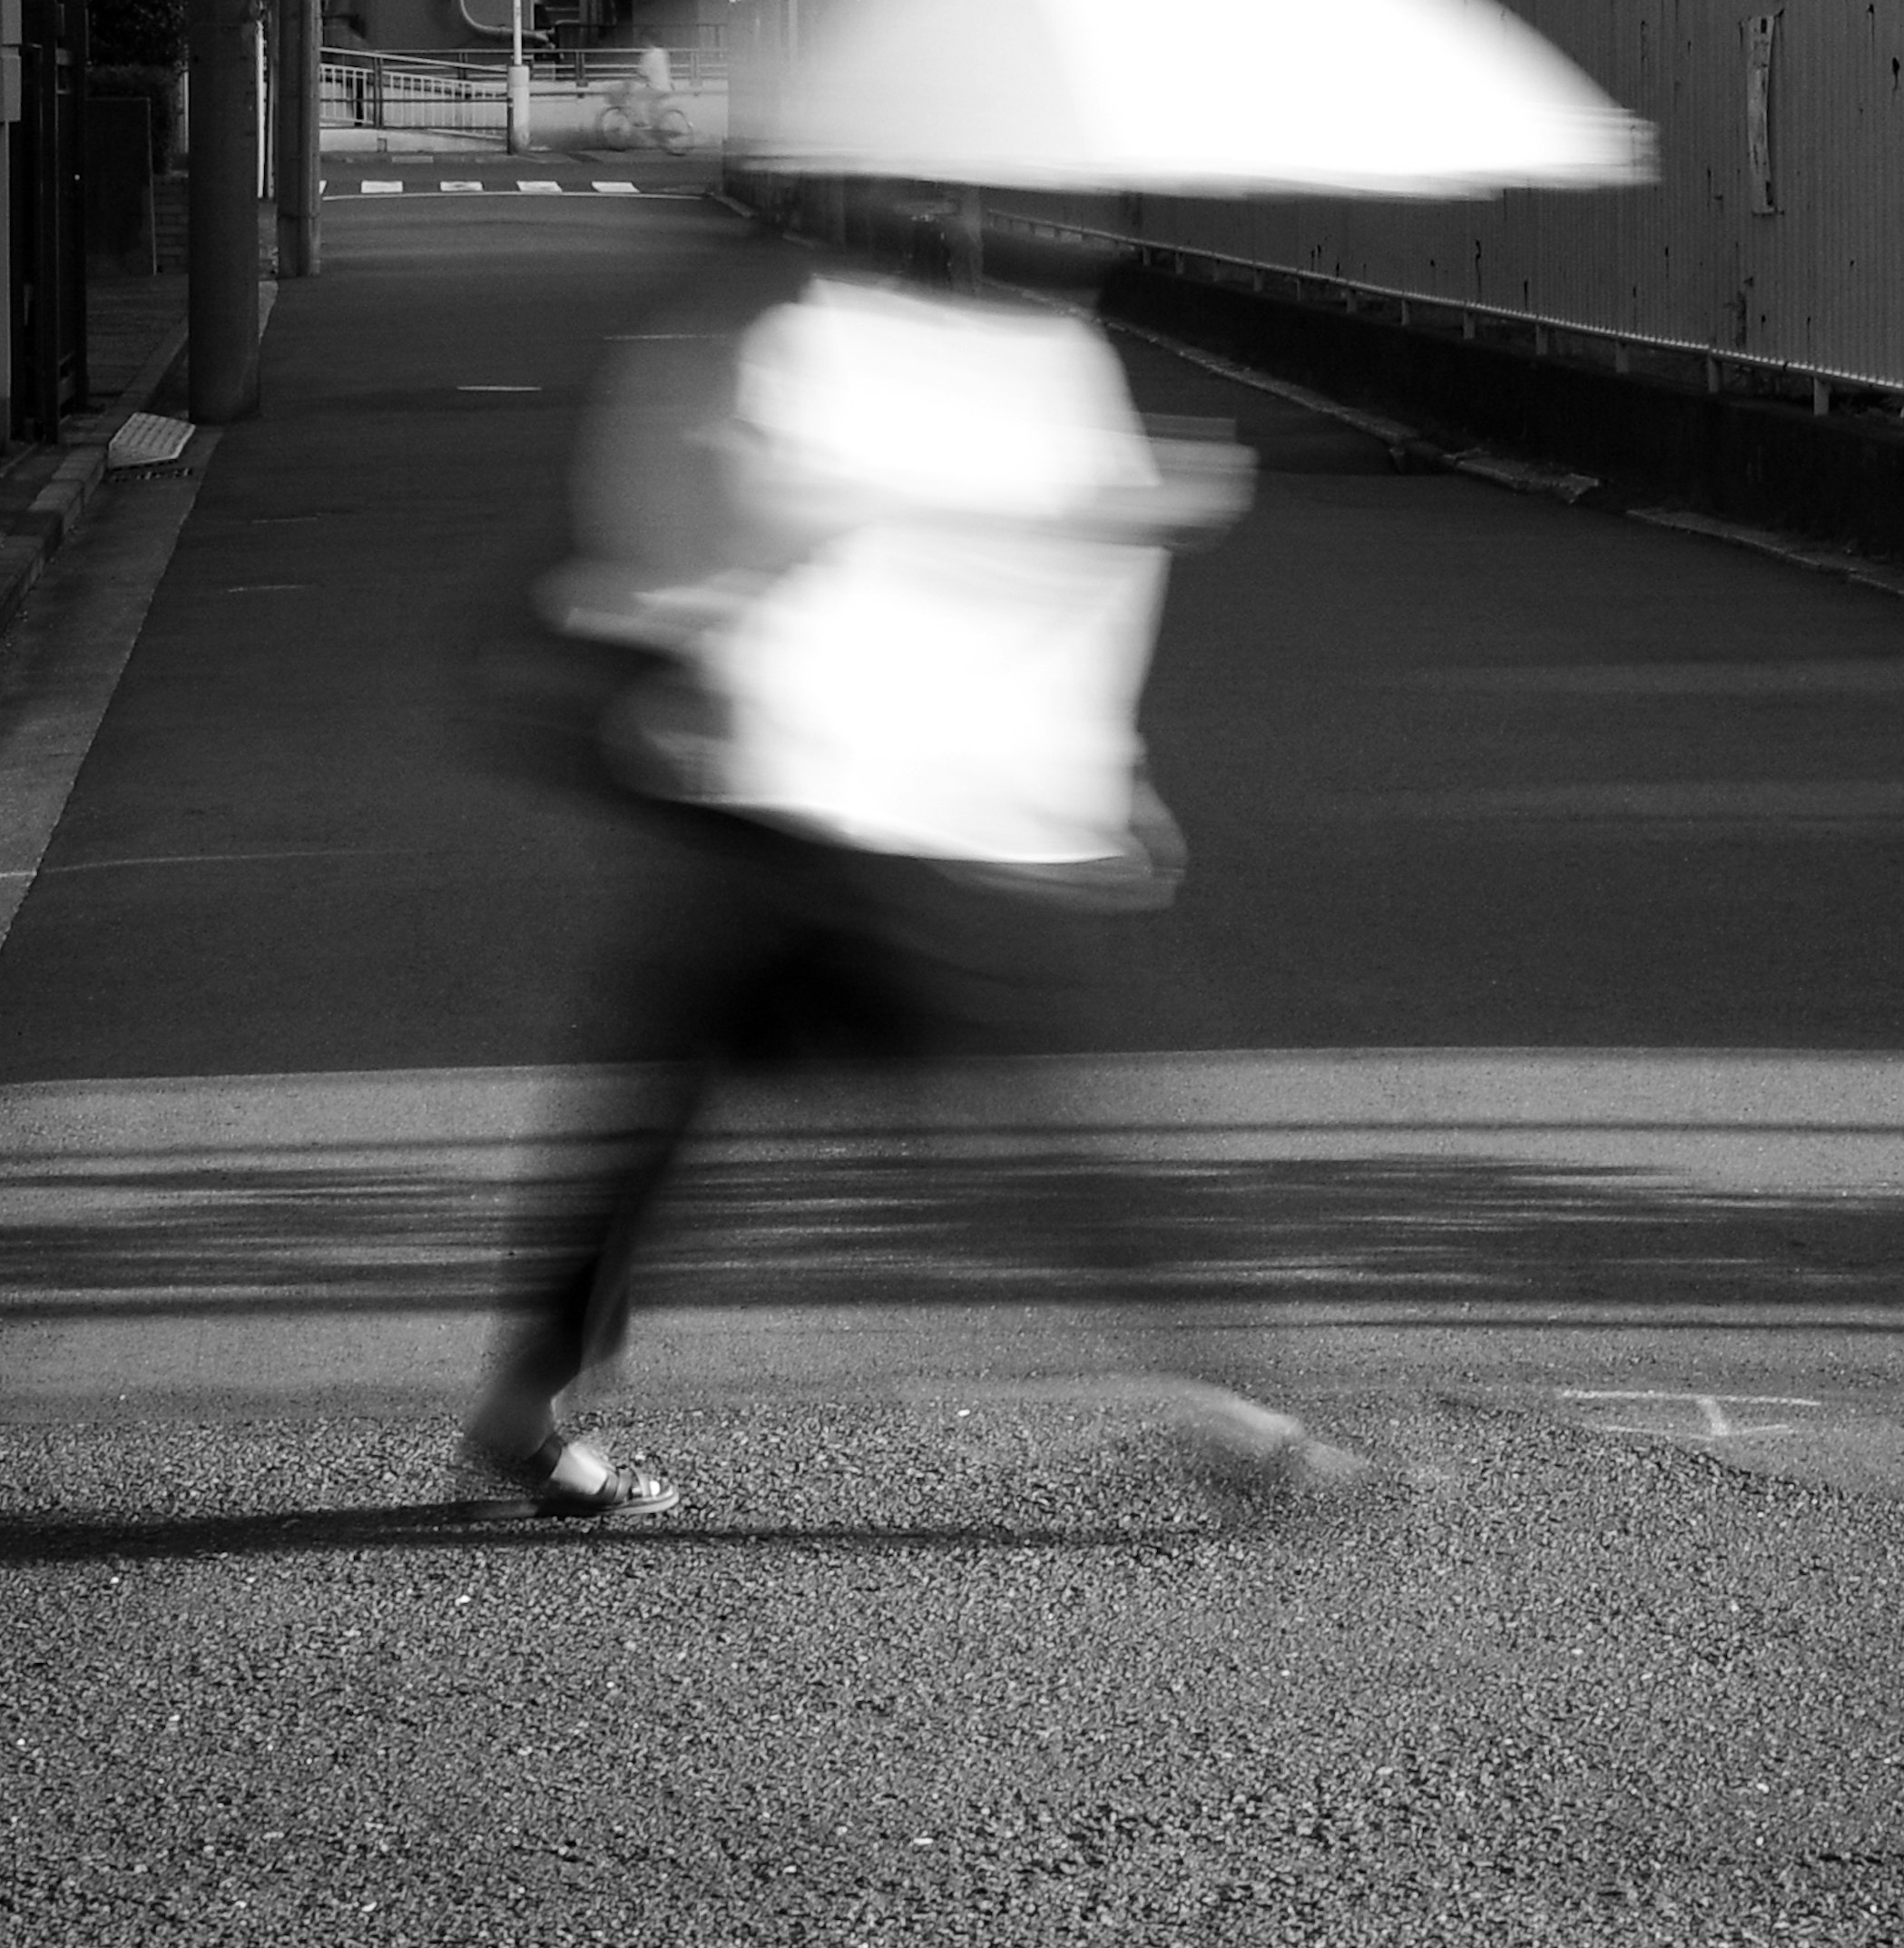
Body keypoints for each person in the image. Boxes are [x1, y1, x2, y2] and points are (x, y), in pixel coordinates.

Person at [465, 202, 1355, 1518]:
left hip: (821, 806)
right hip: (830, 807)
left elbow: (965, 588)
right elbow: (820, 523)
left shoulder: (949, 347)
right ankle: (1243, 1409)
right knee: (1040, 1105)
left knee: (680, 1089)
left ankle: (525, 1396)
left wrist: (1104, 744)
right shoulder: (797, 332)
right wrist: (1103, 508)